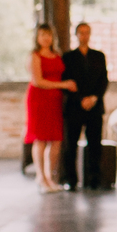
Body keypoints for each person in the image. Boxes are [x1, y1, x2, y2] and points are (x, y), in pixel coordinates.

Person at [25, 23, 75, 193]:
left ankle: (50, 177)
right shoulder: (35, 56)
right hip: (39, 99)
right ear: (37, 38)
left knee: (56, 139)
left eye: (48, 35)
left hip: (55, 101)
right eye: (42, 35)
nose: (45, 38)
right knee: (40, 138)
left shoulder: (57, 55)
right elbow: (37, 81)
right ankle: (41, 178)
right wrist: (63, 84)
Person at [61, 22, 109, 190]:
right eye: (81, 32)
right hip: (74, 107)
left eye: (87, 32)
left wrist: (94, 98)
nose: (84, 35)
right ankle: (70, 179)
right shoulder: (68, 57)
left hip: (94, 107)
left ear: (90, 35)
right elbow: (66, 82)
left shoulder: (99, 56)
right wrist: (80, 99)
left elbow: (104, 80)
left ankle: (94, 178)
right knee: (70, 145)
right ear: (76, 35)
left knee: (95, 144)